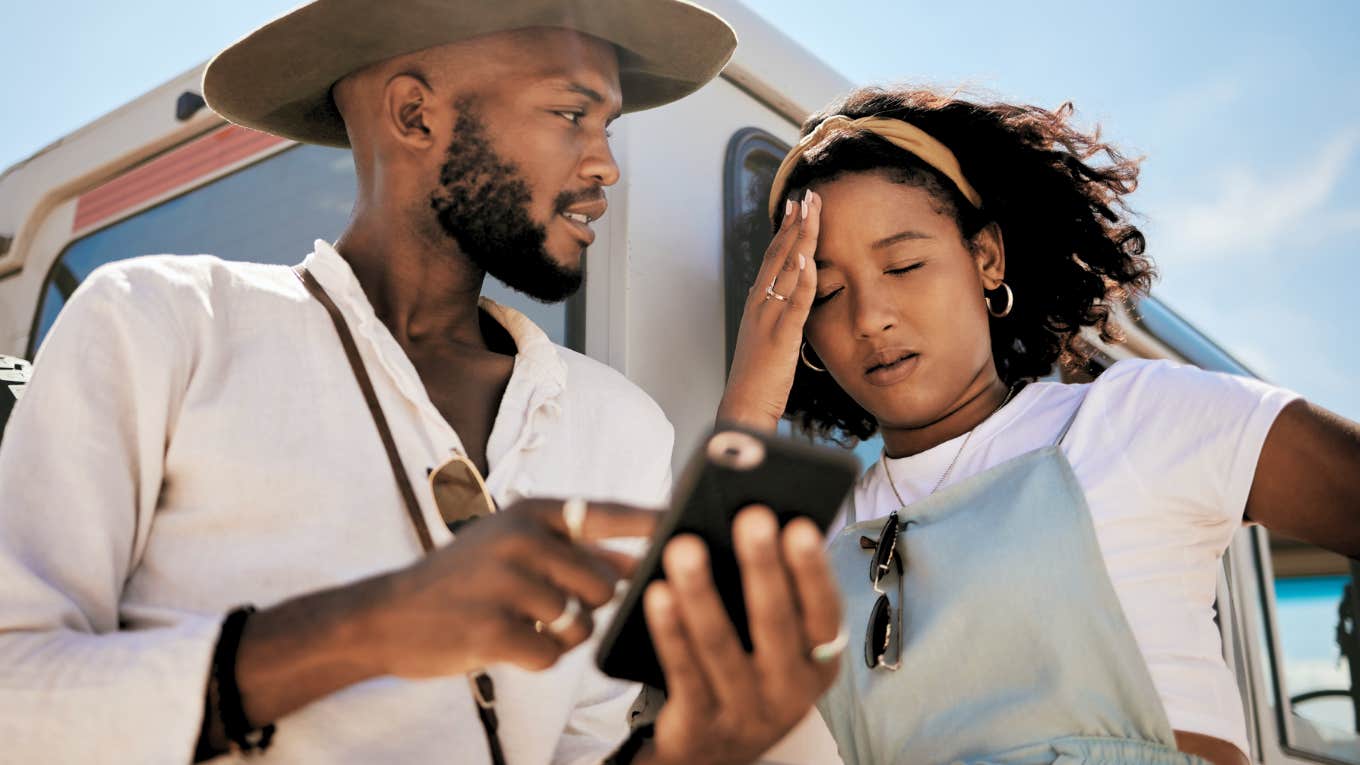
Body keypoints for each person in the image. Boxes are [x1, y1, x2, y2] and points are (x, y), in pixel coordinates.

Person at [0, 3, 845, 763]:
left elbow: (582, 747)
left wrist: (692, 750)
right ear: (414, 114)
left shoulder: (621, 427)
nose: (605, 166)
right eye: (571, 113)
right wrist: (376, 624)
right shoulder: (158, 322)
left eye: (610, 127)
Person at [718, 85, 1360, 765]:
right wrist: (748, 408)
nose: (870, 315)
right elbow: (694, 710)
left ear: (986, 257)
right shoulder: (814, 534)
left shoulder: (1131, 417)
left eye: (904, 264)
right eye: (829, 290)